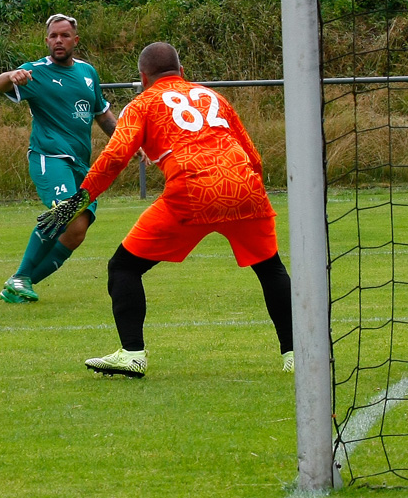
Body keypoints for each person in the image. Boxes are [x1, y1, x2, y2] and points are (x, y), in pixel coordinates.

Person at [37, 42, 294, 377]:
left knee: (124, 267)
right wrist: (253, 189)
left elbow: (115, 158)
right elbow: (251, 153)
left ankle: (132, 354)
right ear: (182, 71)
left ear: (143, 78)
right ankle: (295, 354)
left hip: (192, 189)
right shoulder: (211, 96)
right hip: (243, 184)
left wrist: (79, 199)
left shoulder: (142, 103)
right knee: (270, 269)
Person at [0, 13, 117, 303]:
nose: (58, 41)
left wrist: (127, 140)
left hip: (80, 165)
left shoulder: (88, 73)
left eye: (64, 35)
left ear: (76, 40)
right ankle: (21, 276)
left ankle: (18, 284)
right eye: (53, 36)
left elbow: (102, 114)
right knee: (65, 211)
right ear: (46, 40)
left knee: (76, 231)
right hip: (50, 157)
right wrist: (11, 76)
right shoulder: (34, 72)